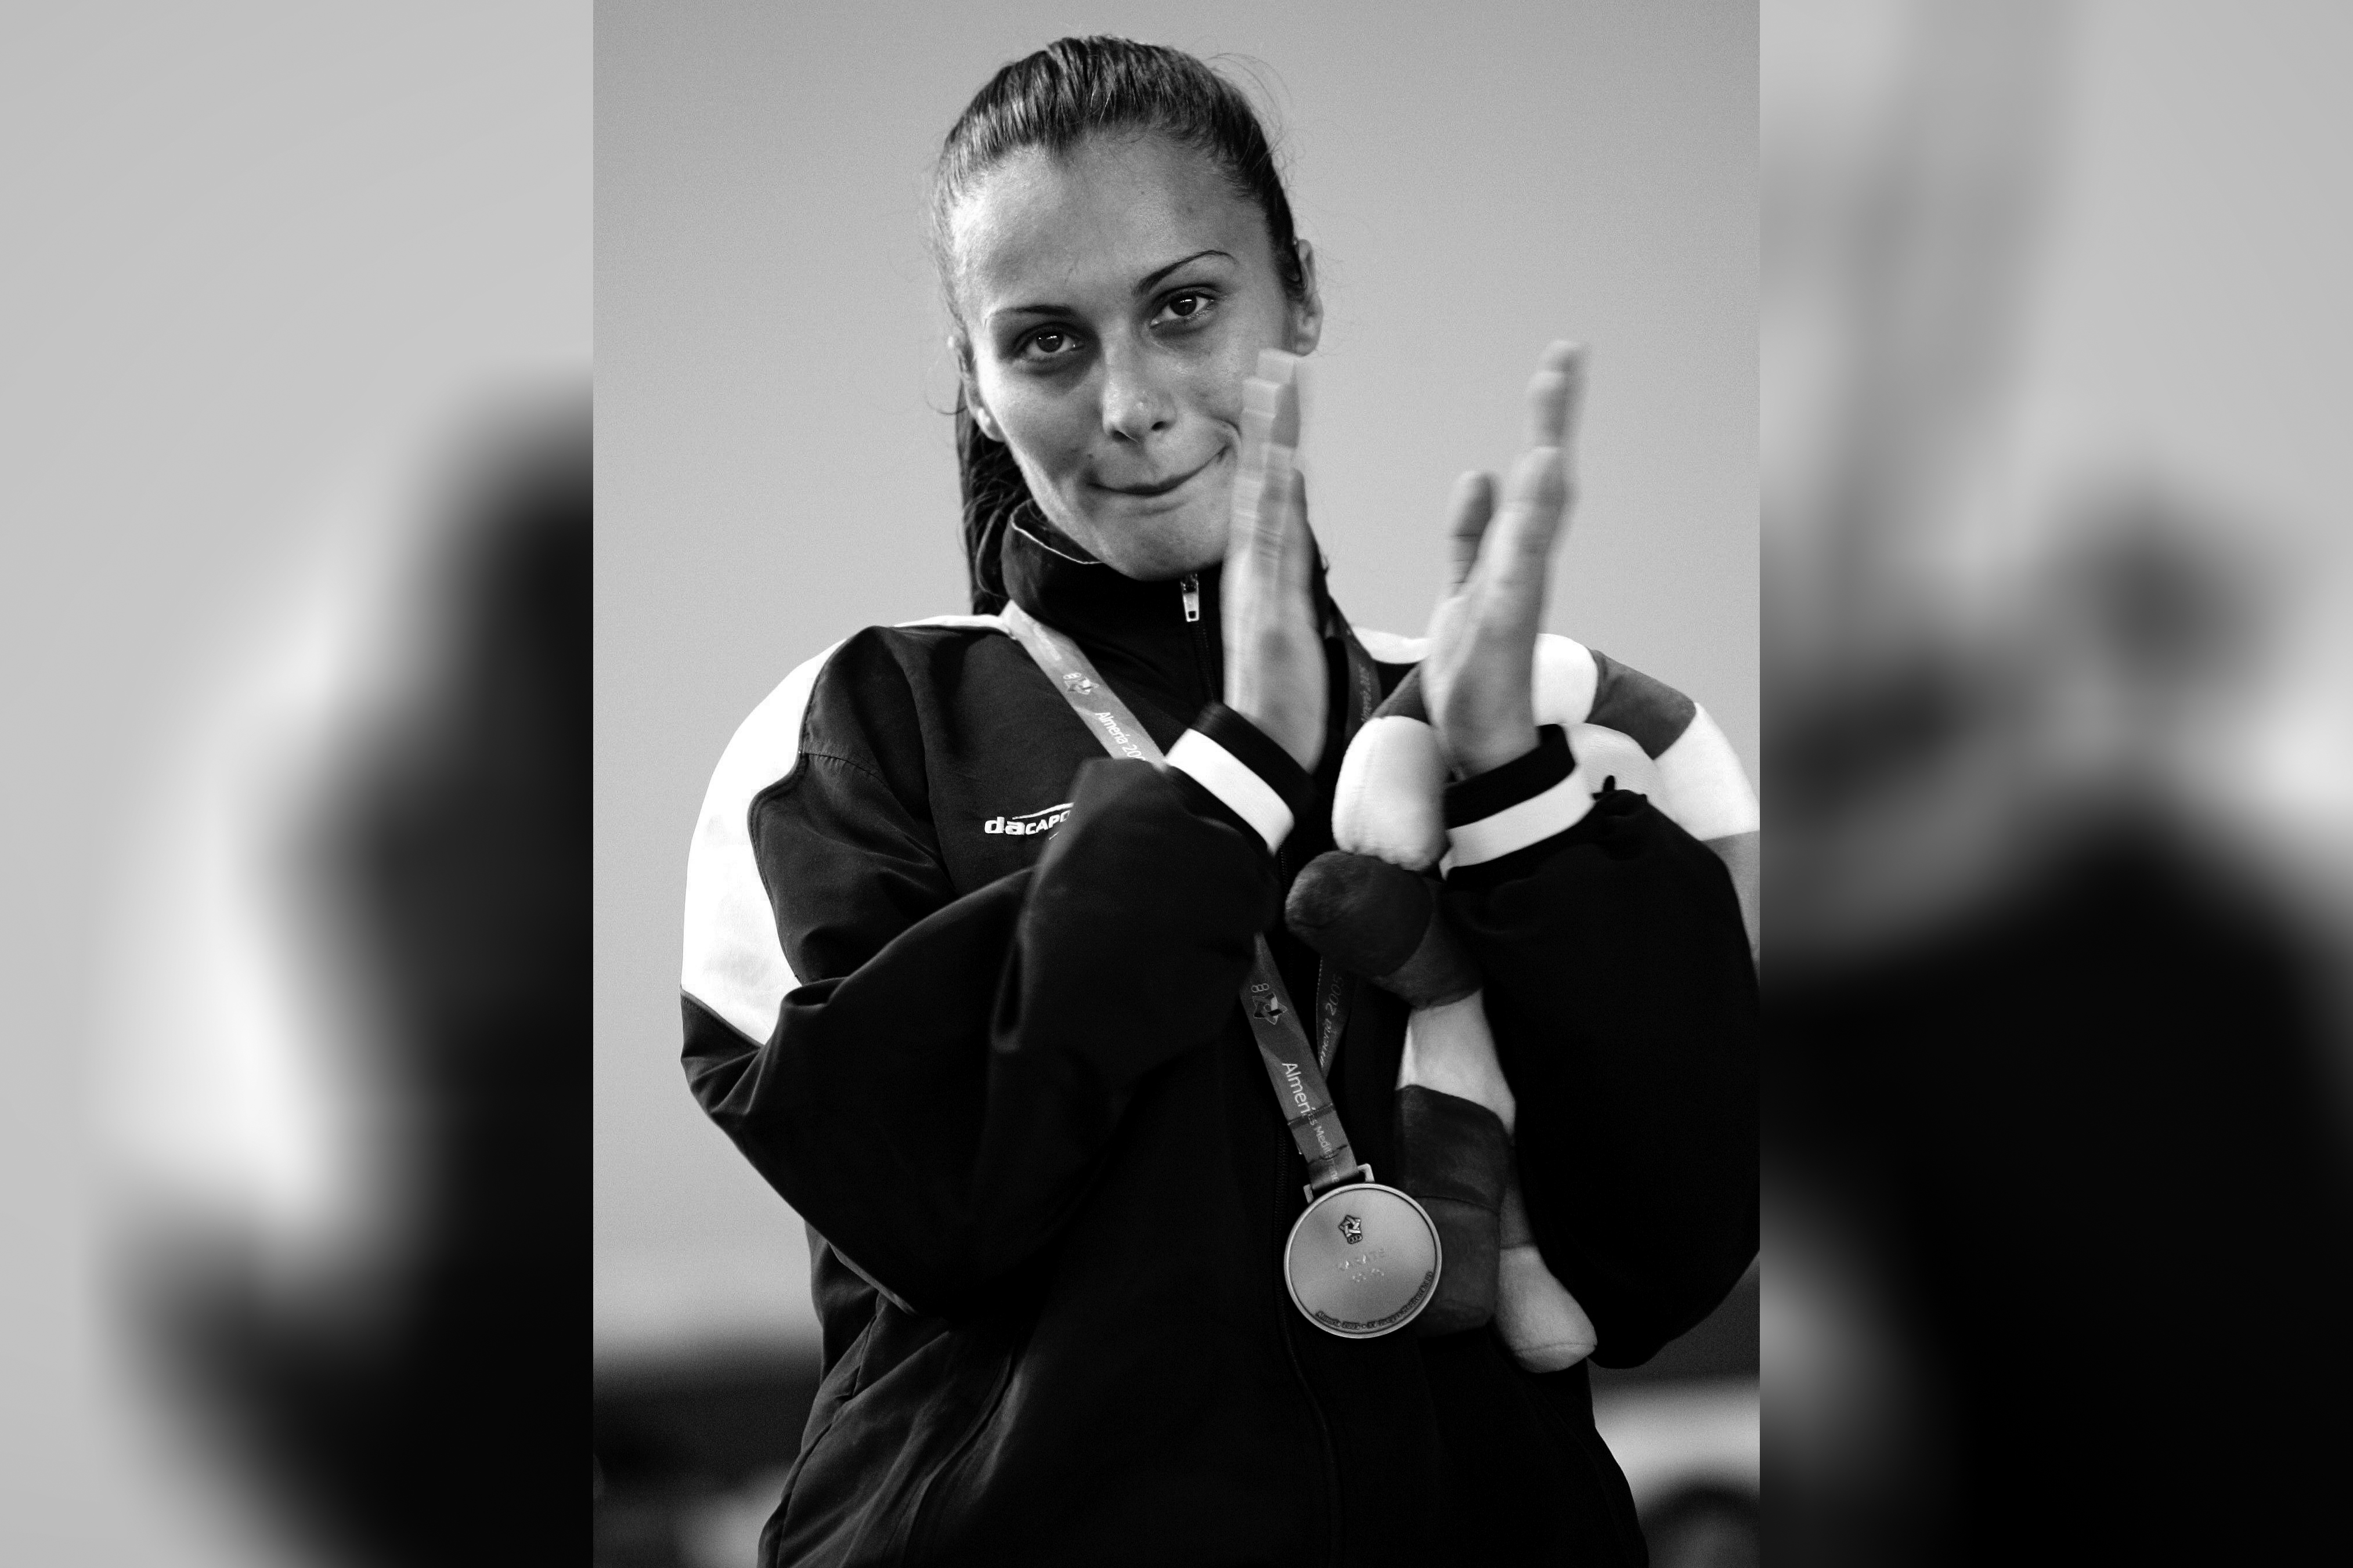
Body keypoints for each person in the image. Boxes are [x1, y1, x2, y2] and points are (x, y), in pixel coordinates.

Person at [680, 37, 1757, 1566]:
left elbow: (1658, 1263)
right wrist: (1236, 772)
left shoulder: (1513, 723)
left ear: (1297, 294)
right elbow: (932, 1203)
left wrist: (1516, 795)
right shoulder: (852, 729)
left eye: (1185, 307)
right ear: (977, 390)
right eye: (1045, 343)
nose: (1129, 402)